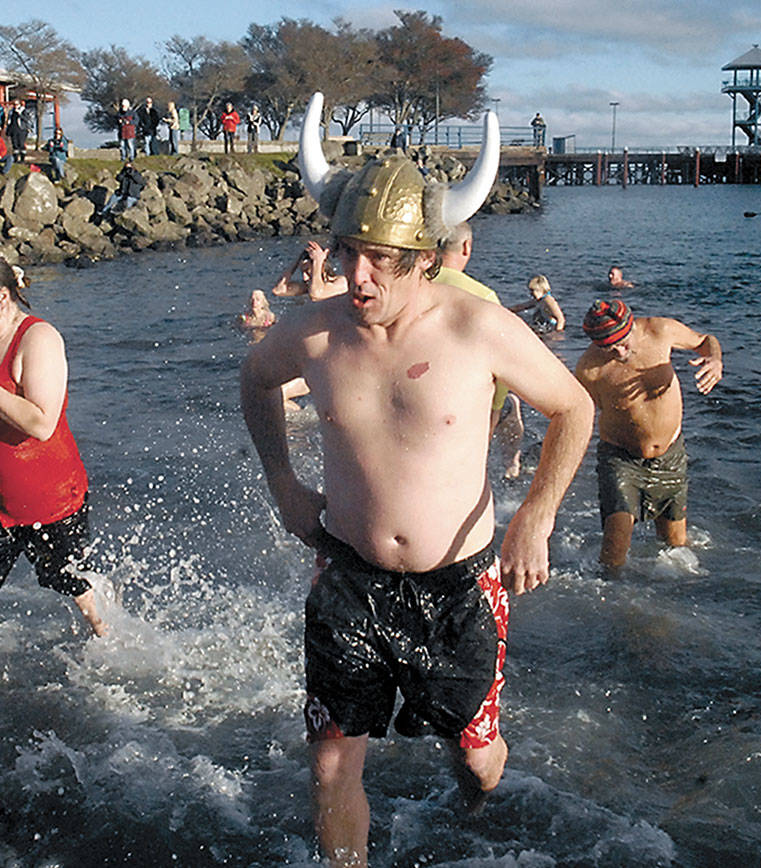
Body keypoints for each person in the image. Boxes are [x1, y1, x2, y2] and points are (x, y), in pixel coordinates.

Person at [243, 94, 594, 865]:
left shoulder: (479, 330)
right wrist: (283, 483)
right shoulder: (313, 332)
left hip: (460, 589)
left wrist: (536, 514)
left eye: (383, 261)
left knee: (474, 759)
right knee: (331, 766)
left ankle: (474, 806)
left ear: (427, 257)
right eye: (345, 254)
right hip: (347, 577)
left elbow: (574, 407)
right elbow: (255, 382)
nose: (358, 278)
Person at [0, 255, 108, 658]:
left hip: (52, 498)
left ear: (3, 298)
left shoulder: (38, 338)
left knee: (80, 594)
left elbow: (42, 423)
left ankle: (112, 650)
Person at [573, 300, 723, 568]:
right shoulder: (589, 369)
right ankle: (615, 601)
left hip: (671, 458)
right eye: (610, 348)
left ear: (631, 325)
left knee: (676, 547)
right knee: (614, 553)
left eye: (623, 342)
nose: (620, 351)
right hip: (621, 460)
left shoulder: (660, 331)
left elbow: (705, 340)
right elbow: (581, 416)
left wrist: (715, 360)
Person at [432, 221, 522, 479]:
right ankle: (511, 467)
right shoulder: (484, 298)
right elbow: (502, 368)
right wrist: (493, 414)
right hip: (464, 404)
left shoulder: (409, 285)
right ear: (467, 247)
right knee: (511, 406)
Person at [270, 240, 347, 301]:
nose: (304, 278)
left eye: (307, 271)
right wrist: (297, 260)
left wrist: (318, 261)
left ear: (321, 266)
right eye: (302, 272)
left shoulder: (342, 282)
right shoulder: (308, 287)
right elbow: (278, 290)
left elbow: (316, 295)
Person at [6, 99, 29, 163]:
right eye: (14, 104)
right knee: (15, 144)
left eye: (16, 104)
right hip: (13, 130)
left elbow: (26, 119)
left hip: (21, 130)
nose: (15, 106)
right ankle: (15, 159)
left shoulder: (23, 111)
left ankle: (22, 159)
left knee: (21, 144)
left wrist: (20, 114)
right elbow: (9, 121)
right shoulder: (11, 112)